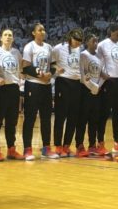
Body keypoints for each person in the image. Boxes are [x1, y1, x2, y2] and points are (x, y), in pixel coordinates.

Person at [21, 23, 57, 159]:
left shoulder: (48, 47)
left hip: (46, 86)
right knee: (30, 118)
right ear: (33, 33)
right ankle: (27, 149)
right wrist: (40, 75)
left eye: (43, 29)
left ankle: (46, 148)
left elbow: (53, 65)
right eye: (39, 30)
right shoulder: (29, 46)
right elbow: (25, 67)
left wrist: (50, 74)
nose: (42, 32)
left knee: (46, 118)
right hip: (33, 85)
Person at [0, 29, 24, 160]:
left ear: (13, 38)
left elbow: (21, 70)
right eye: (5, 35)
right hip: (0, 89)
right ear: (0, 38)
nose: (8, 37)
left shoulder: (16, 53)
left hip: (14, 89)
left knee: (12, 121)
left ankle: (11, 149)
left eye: (10, 35)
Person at [51, 28, 83, 157]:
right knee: (60, 115)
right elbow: (51, 64)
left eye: (80, 41)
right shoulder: (58, 48)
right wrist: (57, 68)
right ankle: (58, 145)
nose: (78, 43)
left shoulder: (79, 49)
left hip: (76, 83)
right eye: (76, 40)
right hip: (63, 82)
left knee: (73, 116)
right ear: (70, 38)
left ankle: (66, 145)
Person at [97, 24, 118, 154]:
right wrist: (103, 76)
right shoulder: (102, 45)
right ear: (111, 32)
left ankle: (117, 143)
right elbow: (97, 63)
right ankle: (100, 143)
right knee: (104, 113)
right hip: (109, 81)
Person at [76, 33, 105, 157]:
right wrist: (93, 87)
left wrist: (98, 87)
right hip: (85, 90)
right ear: (87, 42)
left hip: (97, 91)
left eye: (97, 41)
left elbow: (102, 74)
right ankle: (79, 145)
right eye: (93, 41)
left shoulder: (99, 57)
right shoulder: (83, 55)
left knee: (94, 119)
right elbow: (83, 76)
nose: (96, 43)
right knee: (82, 119)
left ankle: (92, 145)